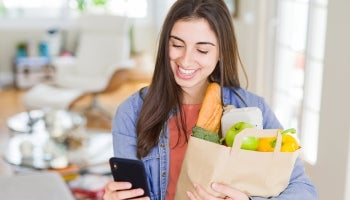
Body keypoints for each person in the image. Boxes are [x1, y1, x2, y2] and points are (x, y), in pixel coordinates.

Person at [103, 0, 318, 199]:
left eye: (202, 49)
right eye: (177, 45)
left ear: (221, 52)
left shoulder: (253, 109)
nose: (185, 60)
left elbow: (304, 190)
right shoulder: (131, 112)